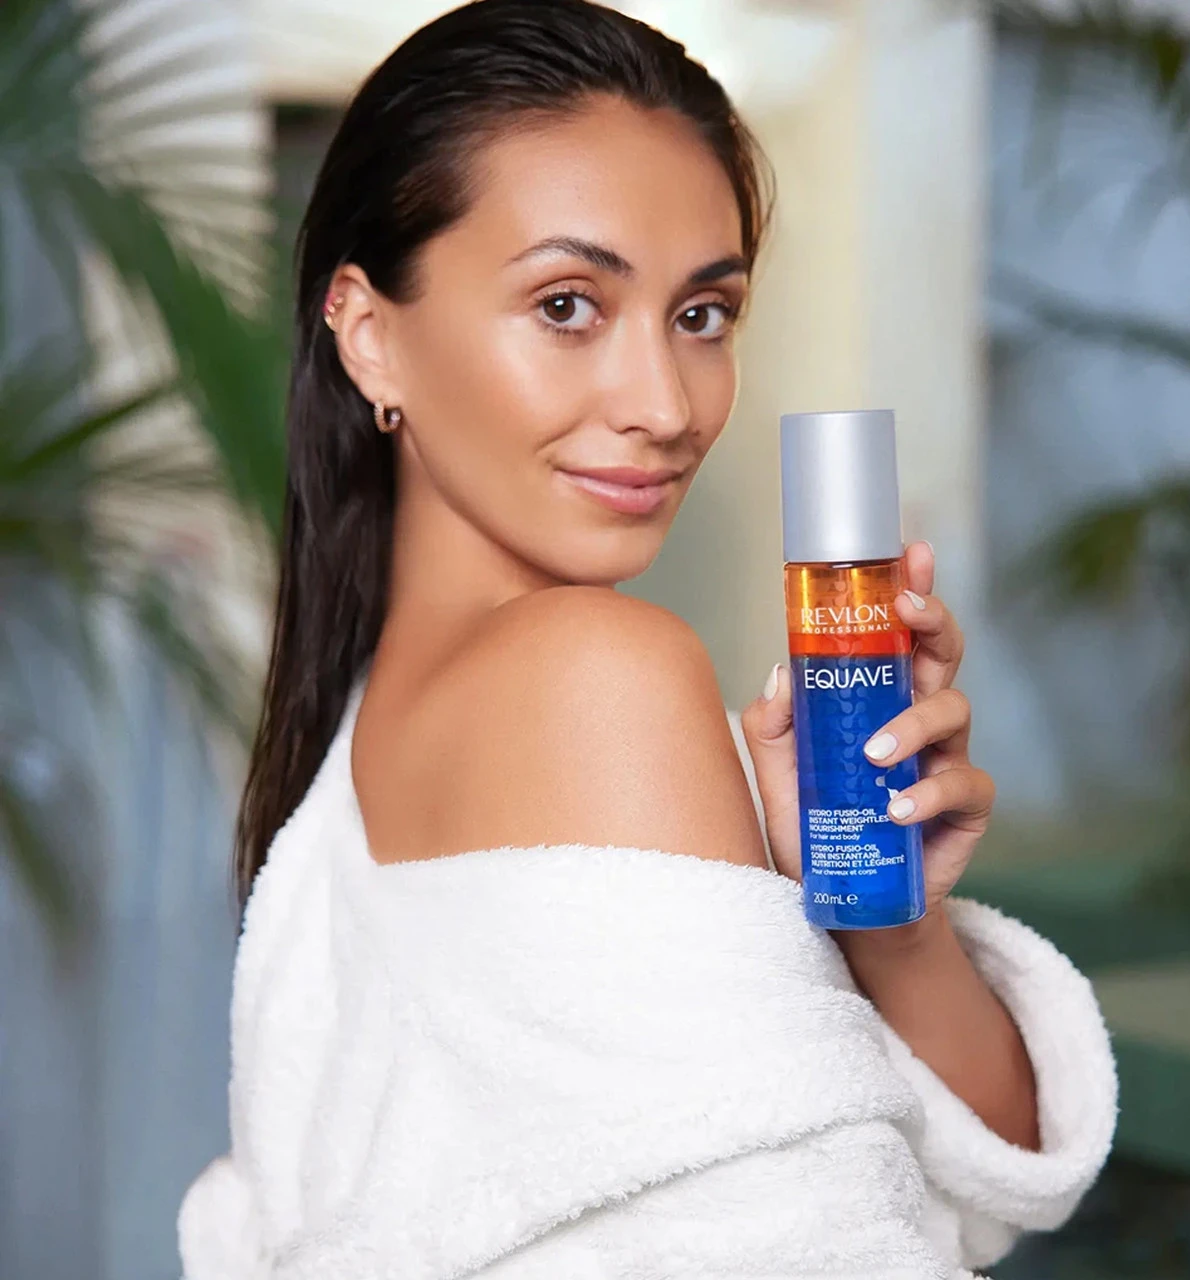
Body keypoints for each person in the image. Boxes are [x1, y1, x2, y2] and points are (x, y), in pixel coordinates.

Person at [178, 2, 1117, 1276]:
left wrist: (885, 923)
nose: (665, 405)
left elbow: (957, 1186)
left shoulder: (354, 744)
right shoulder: (593, 673)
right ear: (368, 333)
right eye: (567, 303)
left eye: (701, 315)